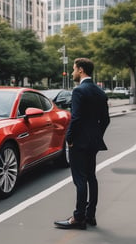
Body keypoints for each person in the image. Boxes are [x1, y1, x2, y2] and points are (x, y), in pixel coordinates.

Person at [54, 58, 110, 230]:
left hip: (78, 143)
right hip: (93, 142)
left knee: (80, 180)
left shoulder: (79, 91)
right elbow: (105, 120)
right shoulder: (100, 92)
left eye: (74, 69)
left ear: (81, 70)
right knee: (91, 178)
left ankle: (78, 218)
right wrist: (95, 136)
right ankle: (90, 215)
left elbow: (76, 118)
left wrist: (69, 139)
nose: (72, 73)